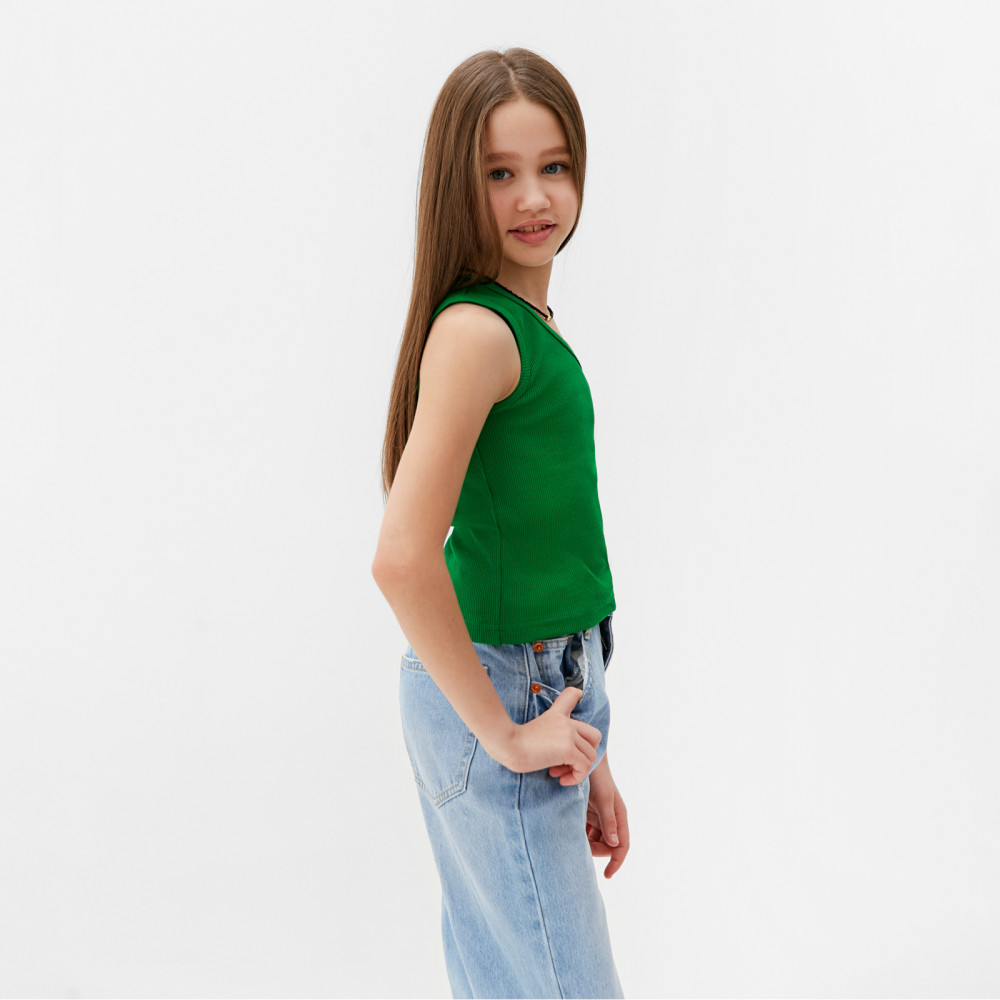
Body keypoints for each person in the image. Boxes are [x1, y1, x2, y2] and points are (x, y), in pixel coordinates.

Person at [371, 47, 628, 1000]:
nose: (533, 197)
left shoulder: (522, 323)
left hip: (539, 689)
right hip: (505, 692)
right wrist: (509, 738)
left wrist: (593, 753)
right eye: (499, 173)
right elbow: (403, 558)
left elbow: (548, 545)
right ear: (457, 184)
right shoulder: (480, 332)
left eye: (553, 165)